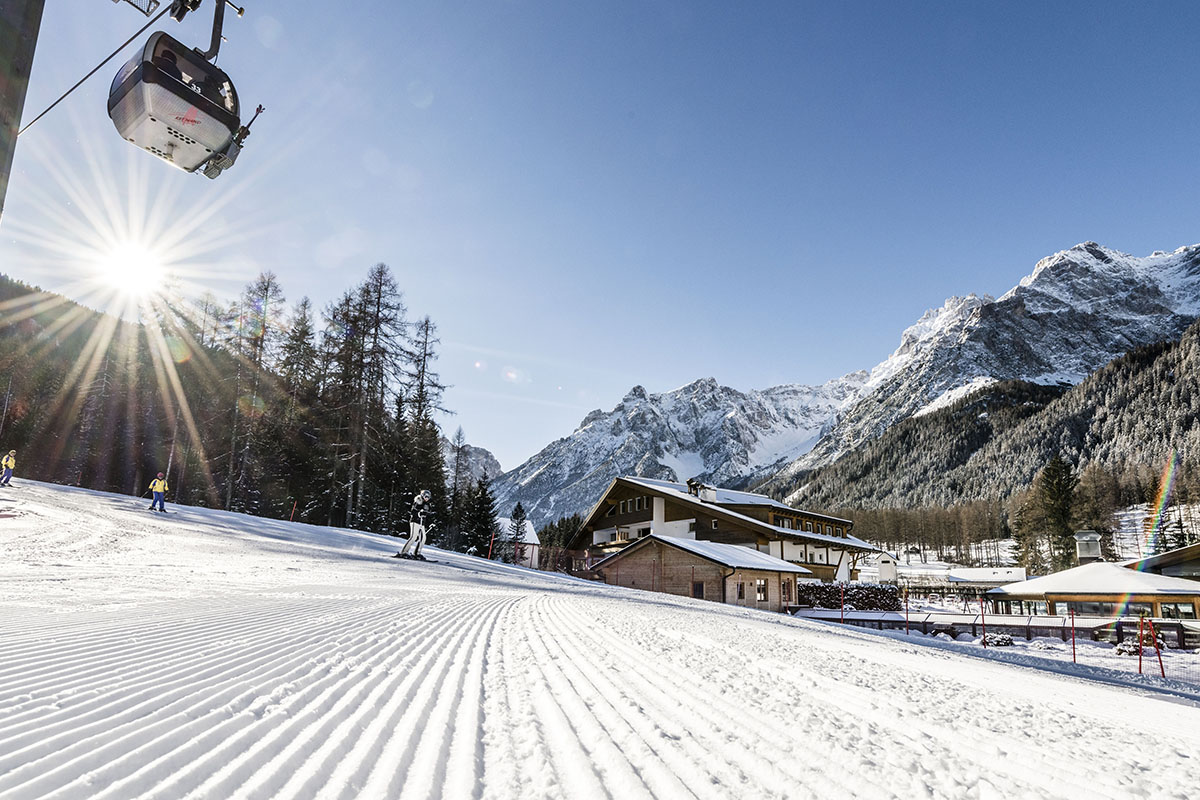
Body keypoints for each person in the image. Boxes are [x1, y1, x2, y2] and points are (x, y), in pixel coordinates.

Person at [397, 489, 433, 560]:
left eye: (428, 497)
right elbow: (413, 512)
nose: (427, 498)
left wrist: (430, 523)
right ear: (422, 496)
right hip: (415, 521)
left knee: (423, 538)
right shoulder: (418, 501)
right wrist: (419, 513)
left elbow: (427, 514)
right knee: (413, 537)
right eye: (425, 496)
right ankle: (403, 552)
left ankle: (417, 553)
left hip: (422, 523)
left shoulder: (427, 504)